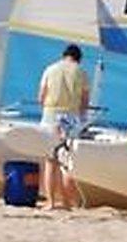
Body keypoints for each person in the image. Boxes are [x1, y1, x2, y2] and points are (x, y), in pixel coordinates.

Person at [36, 43, 88, 210]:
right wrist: (83, 118)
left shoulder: (50, 69)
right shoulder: (81, 72)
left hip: (51, 114)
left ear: (64, 55)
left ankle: (51, 202)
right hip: (71, 116)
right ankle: (67, 202)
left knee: (51, 161)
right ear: (78, 58)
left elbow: (41, 96)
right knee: (67, 161)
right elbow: (84, 100)